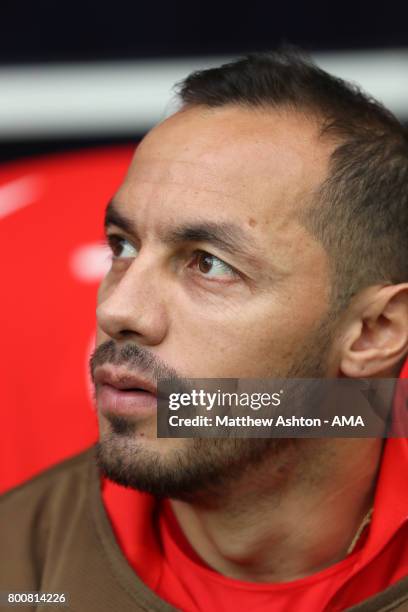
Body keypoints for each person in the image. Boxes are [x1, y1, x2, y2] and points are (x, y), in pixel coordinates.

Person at [1, 49, 407, 612]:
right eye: (121, 246)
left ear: (374, 332)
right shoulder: (17, 570)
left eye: (208, 263)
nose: (120, 310)